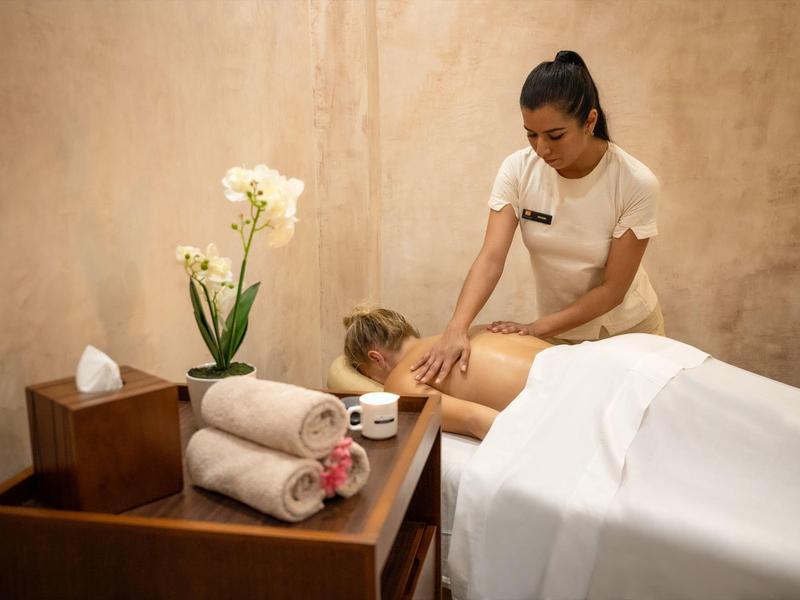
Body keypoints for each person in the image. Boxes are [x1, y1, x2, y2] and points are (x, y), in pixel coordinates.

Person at [411, 50, 664, 386]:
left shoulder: (634, 182)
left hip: (628, 330)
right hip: (557, 332)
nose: (542, 149)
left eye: (555, 136)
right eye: (531, 134)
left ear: (590, 121)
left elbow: (612, 289)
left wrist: (534, 328)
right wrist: (456, 328)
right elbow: (491, 258)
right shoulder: (518, 170)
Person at [343, 306, 552, 440]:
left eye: (368, 375)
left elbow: (476, 421)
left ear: (376, 358)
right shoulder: (475, 331)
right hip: (569, 360)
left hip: (555, 397)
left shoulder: (400, 379)